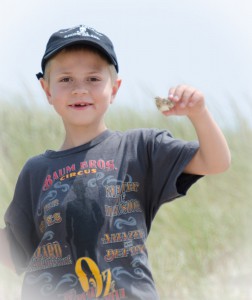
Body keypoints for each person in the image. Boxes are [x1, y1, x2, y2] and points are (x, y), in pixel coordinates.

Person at [0, 24, 231, 300]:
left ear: (115, 88)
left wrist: (199, 113)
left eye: (94, 78)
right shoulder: (35, 172)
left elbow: (216, 162)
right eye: (65, 80)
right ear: (47, 90)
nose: (79, 89)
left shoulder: (139, 149)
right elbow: (15, 252)